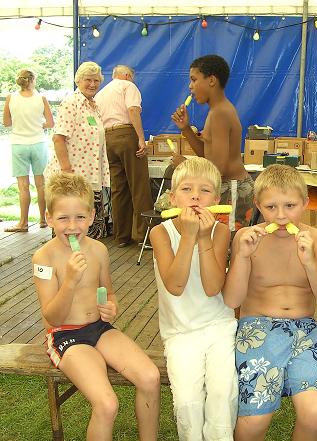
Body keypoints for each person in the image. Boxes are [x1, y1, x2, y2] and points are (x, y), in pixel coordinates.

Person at [32, 172, 160, 440]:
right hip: (65, 335)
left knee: (150, 377)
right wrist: (70, 281)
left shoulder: (99, 250)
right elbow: (52, 318)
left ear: (92, 216)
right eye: (63, 218)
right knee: (107, 404)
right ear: (49, 218)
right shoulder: (44, 258)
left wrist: (111, 306)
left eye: (80, 217)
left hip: (99, 328)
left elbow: (108, 292)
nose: (72, 226)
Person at [223, 164, 317, 441]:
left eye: (290, 206)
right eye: (271, 207)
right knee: (255, 420)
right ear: (257, 206)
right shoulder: (246, 238)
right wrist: (241, 257)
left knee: (314, 412)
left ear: (306, 203)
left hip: (305, 331)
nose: (280, 215)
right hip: (257, 330)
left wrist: (310, 262)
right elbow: (232, 300)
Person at [150, 157, 237, 440]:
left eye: (205, 190)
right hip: (180, 332)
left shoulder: (220, 232)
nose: (196, 196)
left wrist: (202, 238)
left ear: (217, 199)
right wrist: (188, 237)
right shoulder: (160, 233)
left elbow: (213, 288)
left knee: (222, 393)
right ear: (172, 198)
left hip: (218, 326)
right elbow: (175, 285)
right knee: (188, 402)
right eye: (187, 189)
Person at [171, 54, 253, 233]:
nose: (190, 86)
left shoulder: (219, 113)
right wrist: (186, 128)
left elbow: (218, 169)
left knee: (227, 243)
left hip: (232, 189)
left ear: (211, 80)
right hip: (226, 187)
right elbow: (207, 154)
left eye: (194, 79)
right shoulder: (216, 111)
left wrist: (185, 166)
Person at [45, 61, 110, 239]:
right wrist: (67, 172)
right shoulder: (71, 103)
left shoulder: (93, 106)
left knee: (91, 231)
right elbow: (58, 138)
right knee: (69, 231)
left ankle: (88, 258)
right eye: (88, 80)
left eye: (96, 80)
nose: (93, 84)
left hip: (91, 179)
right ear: (78, 81)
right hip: (72, 180)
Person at [95, 65, 153, 248]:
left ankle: (121, 236)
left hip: (107, 138)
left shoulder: (100, 94)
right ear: (127, 75)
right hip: (126, 135)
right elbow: (133, 110)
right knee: (139, 186)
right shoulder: (128, 86)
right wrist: (141, 138)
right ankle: (145, 236)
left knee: (118, 189)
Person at [3, 69, 54, 232]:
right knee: (41, 185)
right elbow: (50, 123)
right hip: (38, 143)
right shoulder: (41, 98)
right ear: (33, 80)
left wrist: (20, 123)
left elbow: (6, 122)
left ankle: (23, 223)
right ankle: (43, 220)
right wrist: (38, 125)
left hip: (18, 144)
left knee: (23, 187)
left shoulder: (11, 98)